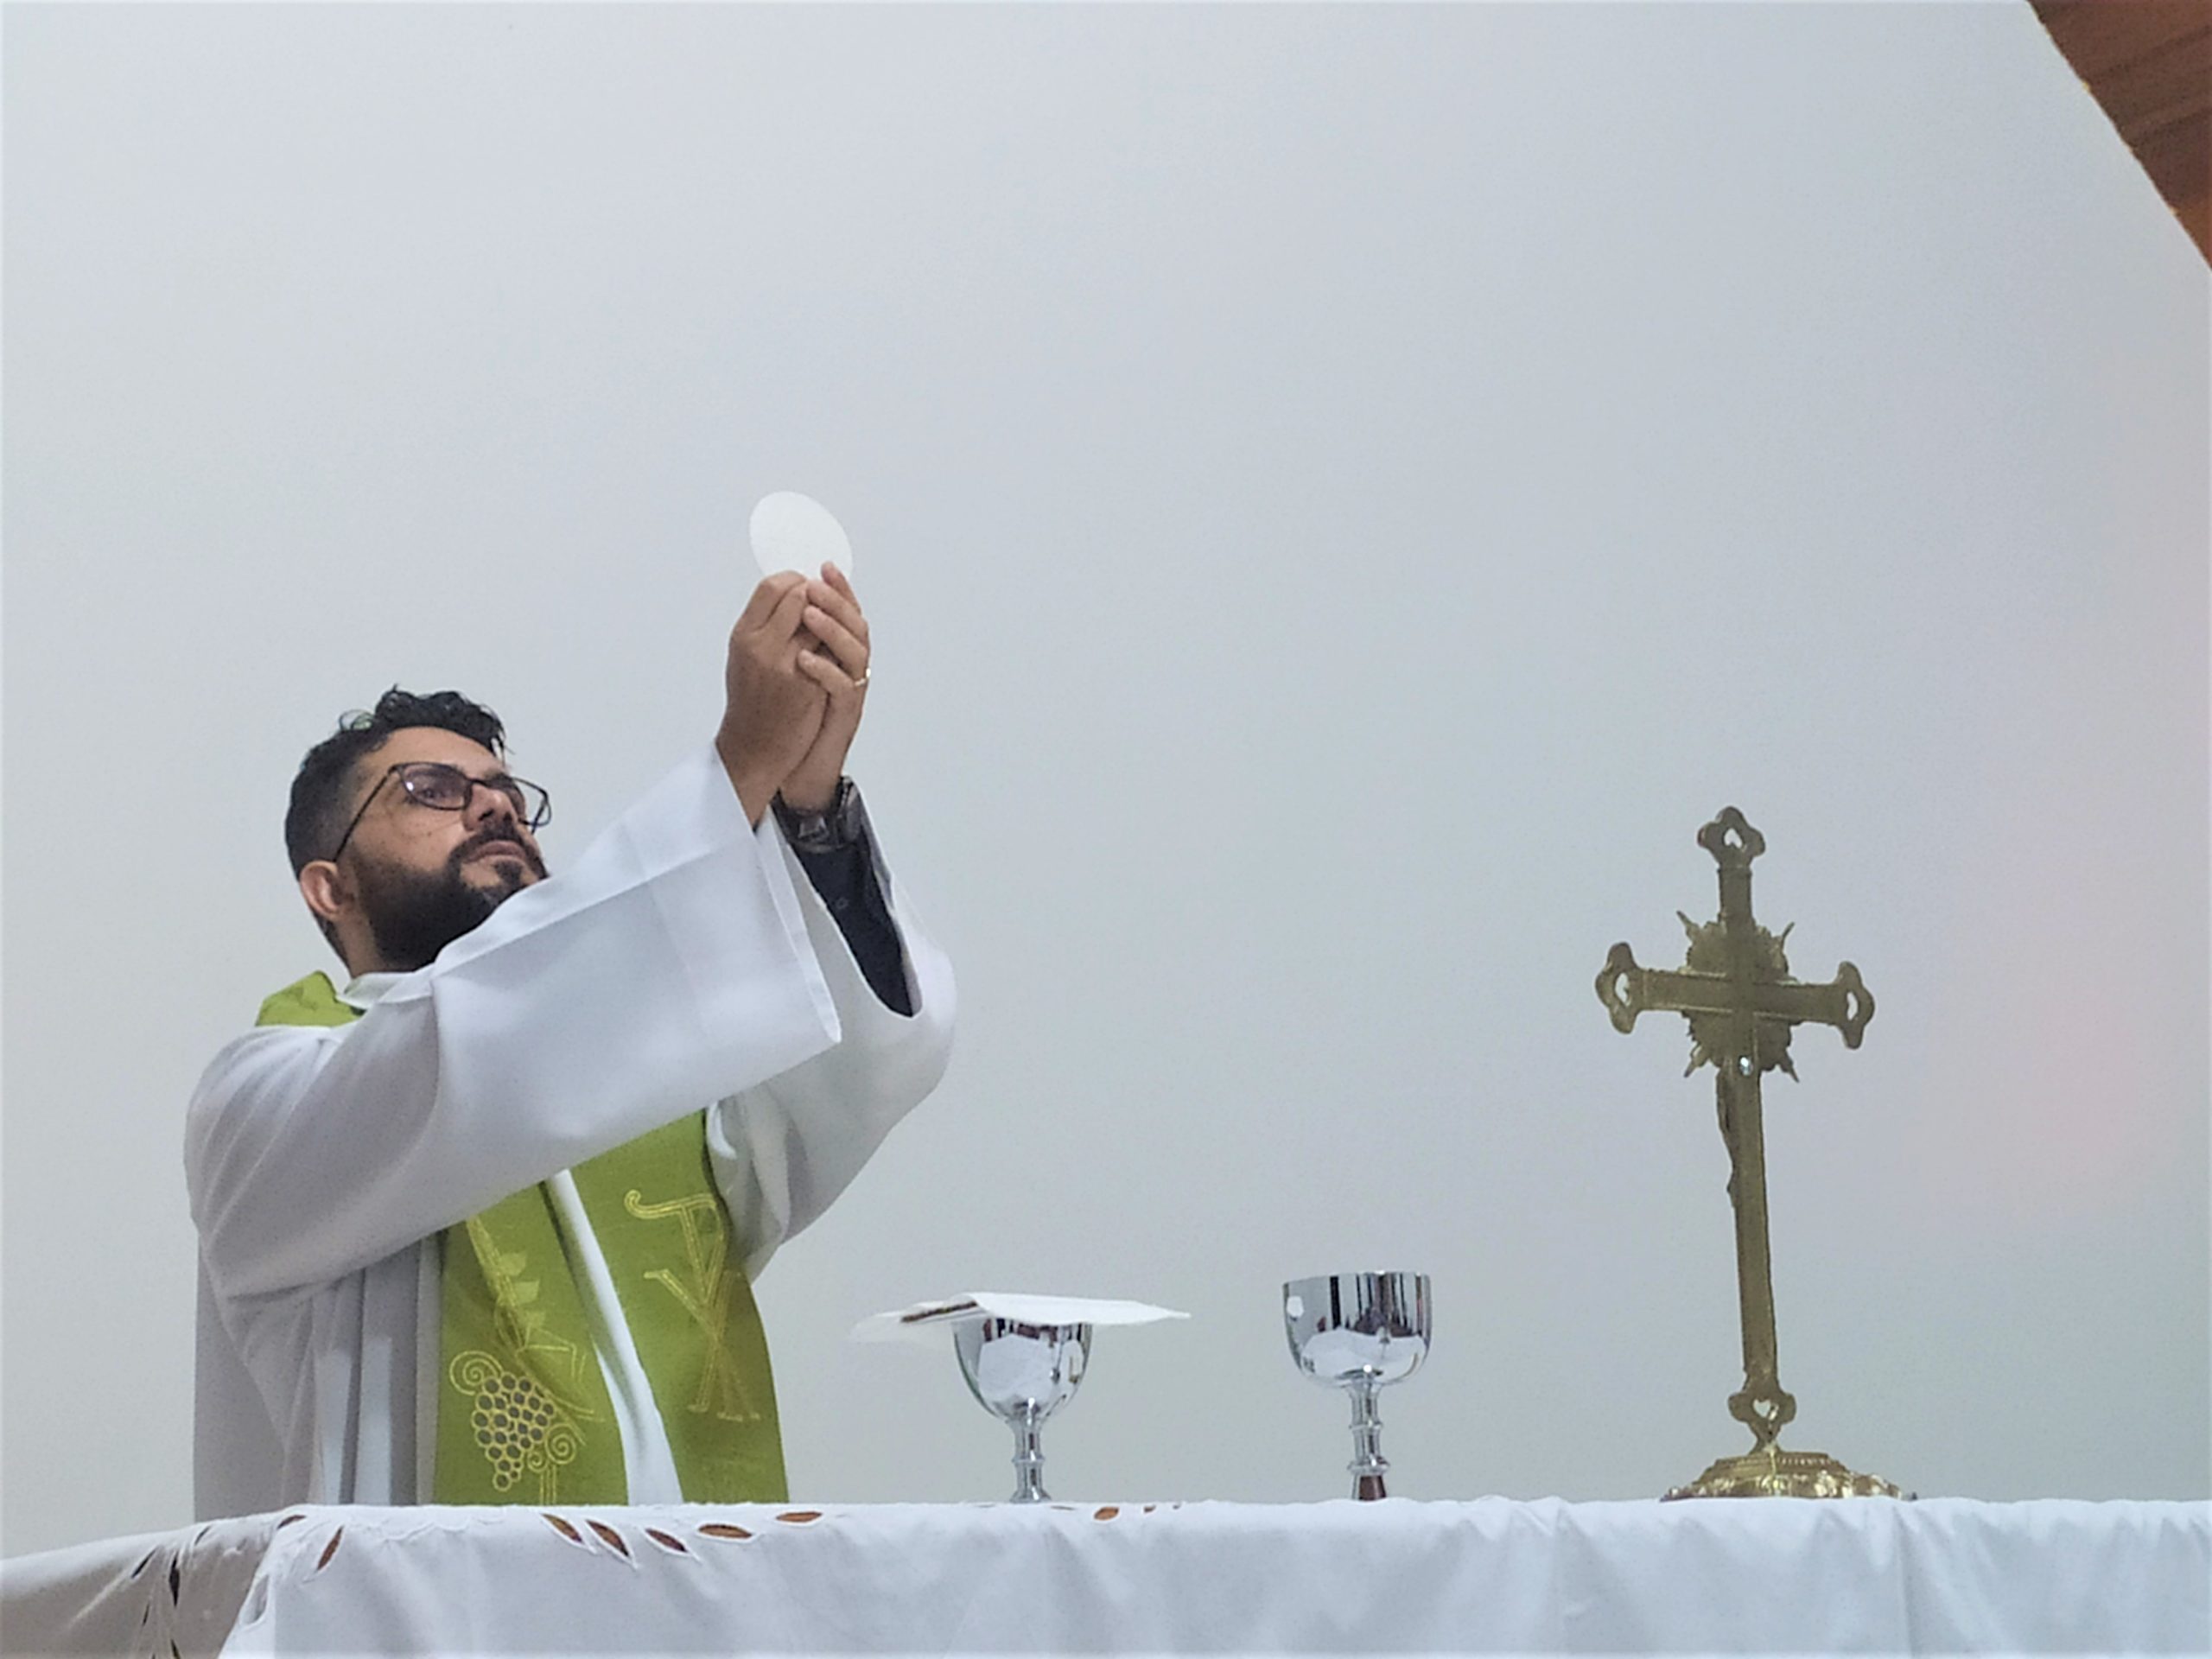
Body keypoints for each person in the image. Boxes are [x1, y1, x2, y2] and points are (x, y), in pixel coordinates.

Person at [185, 566, 954, 1516]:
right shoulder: (267, 1100)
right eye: (431, 790)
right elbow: (462, 1063)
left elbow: (862, 1064)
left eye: (507, 792)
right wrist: (737, 769)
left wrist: (809, 811)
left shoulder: (662, 1087)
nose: (494, 807)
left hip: (689, 1589)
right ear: (328, 886)